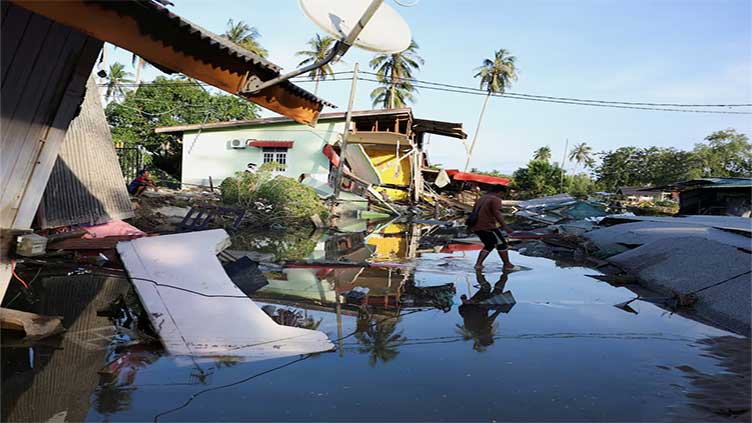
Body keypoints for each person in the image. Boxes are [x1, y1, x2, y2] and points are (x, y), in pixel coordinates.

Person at [458, 270, 512, 352]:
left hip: (480, 305)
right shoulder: (470, 330)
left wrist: (498, 311)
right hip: (472, 306)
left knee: (497, 291)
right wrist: (465, 303)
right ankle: (478, 272)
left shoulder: (483, 332)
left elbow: (489, 320)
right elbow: (463, 313)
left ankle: (505, 273)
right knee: (486, 288)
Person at [469, 184, 515, 270]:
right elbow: (497, 213)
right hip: (488, 226)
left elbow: (473, 212)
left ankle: (478, 264)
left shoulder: (481, 199)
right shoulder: (495, 199)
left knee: (489, 245)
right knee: (502, 244)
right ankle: (507, 264)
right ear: (500, 192)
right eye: (502, 195)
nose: (502, 196)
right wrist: (505, 226)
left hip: (476, 226)